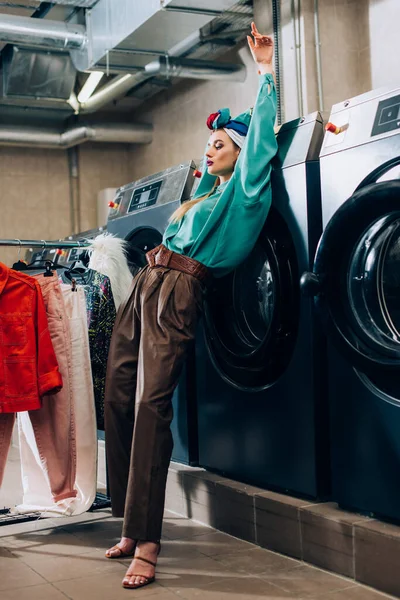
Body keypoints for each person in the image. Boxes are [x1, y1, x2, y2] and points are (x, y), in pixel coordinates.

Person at [103, 22, 278, 590]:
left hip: (178, 293)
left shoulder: (242, 194)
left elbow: (258, 149)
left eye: (221, 144)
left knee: (152, 408)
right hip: (145, 288)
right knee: (119, 397)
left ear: (242, 154)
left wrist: (266, 72)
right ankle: (128, 523)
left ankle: (148, 541)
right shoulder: (198, 198)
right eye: (209, 144)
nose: (211, 149)